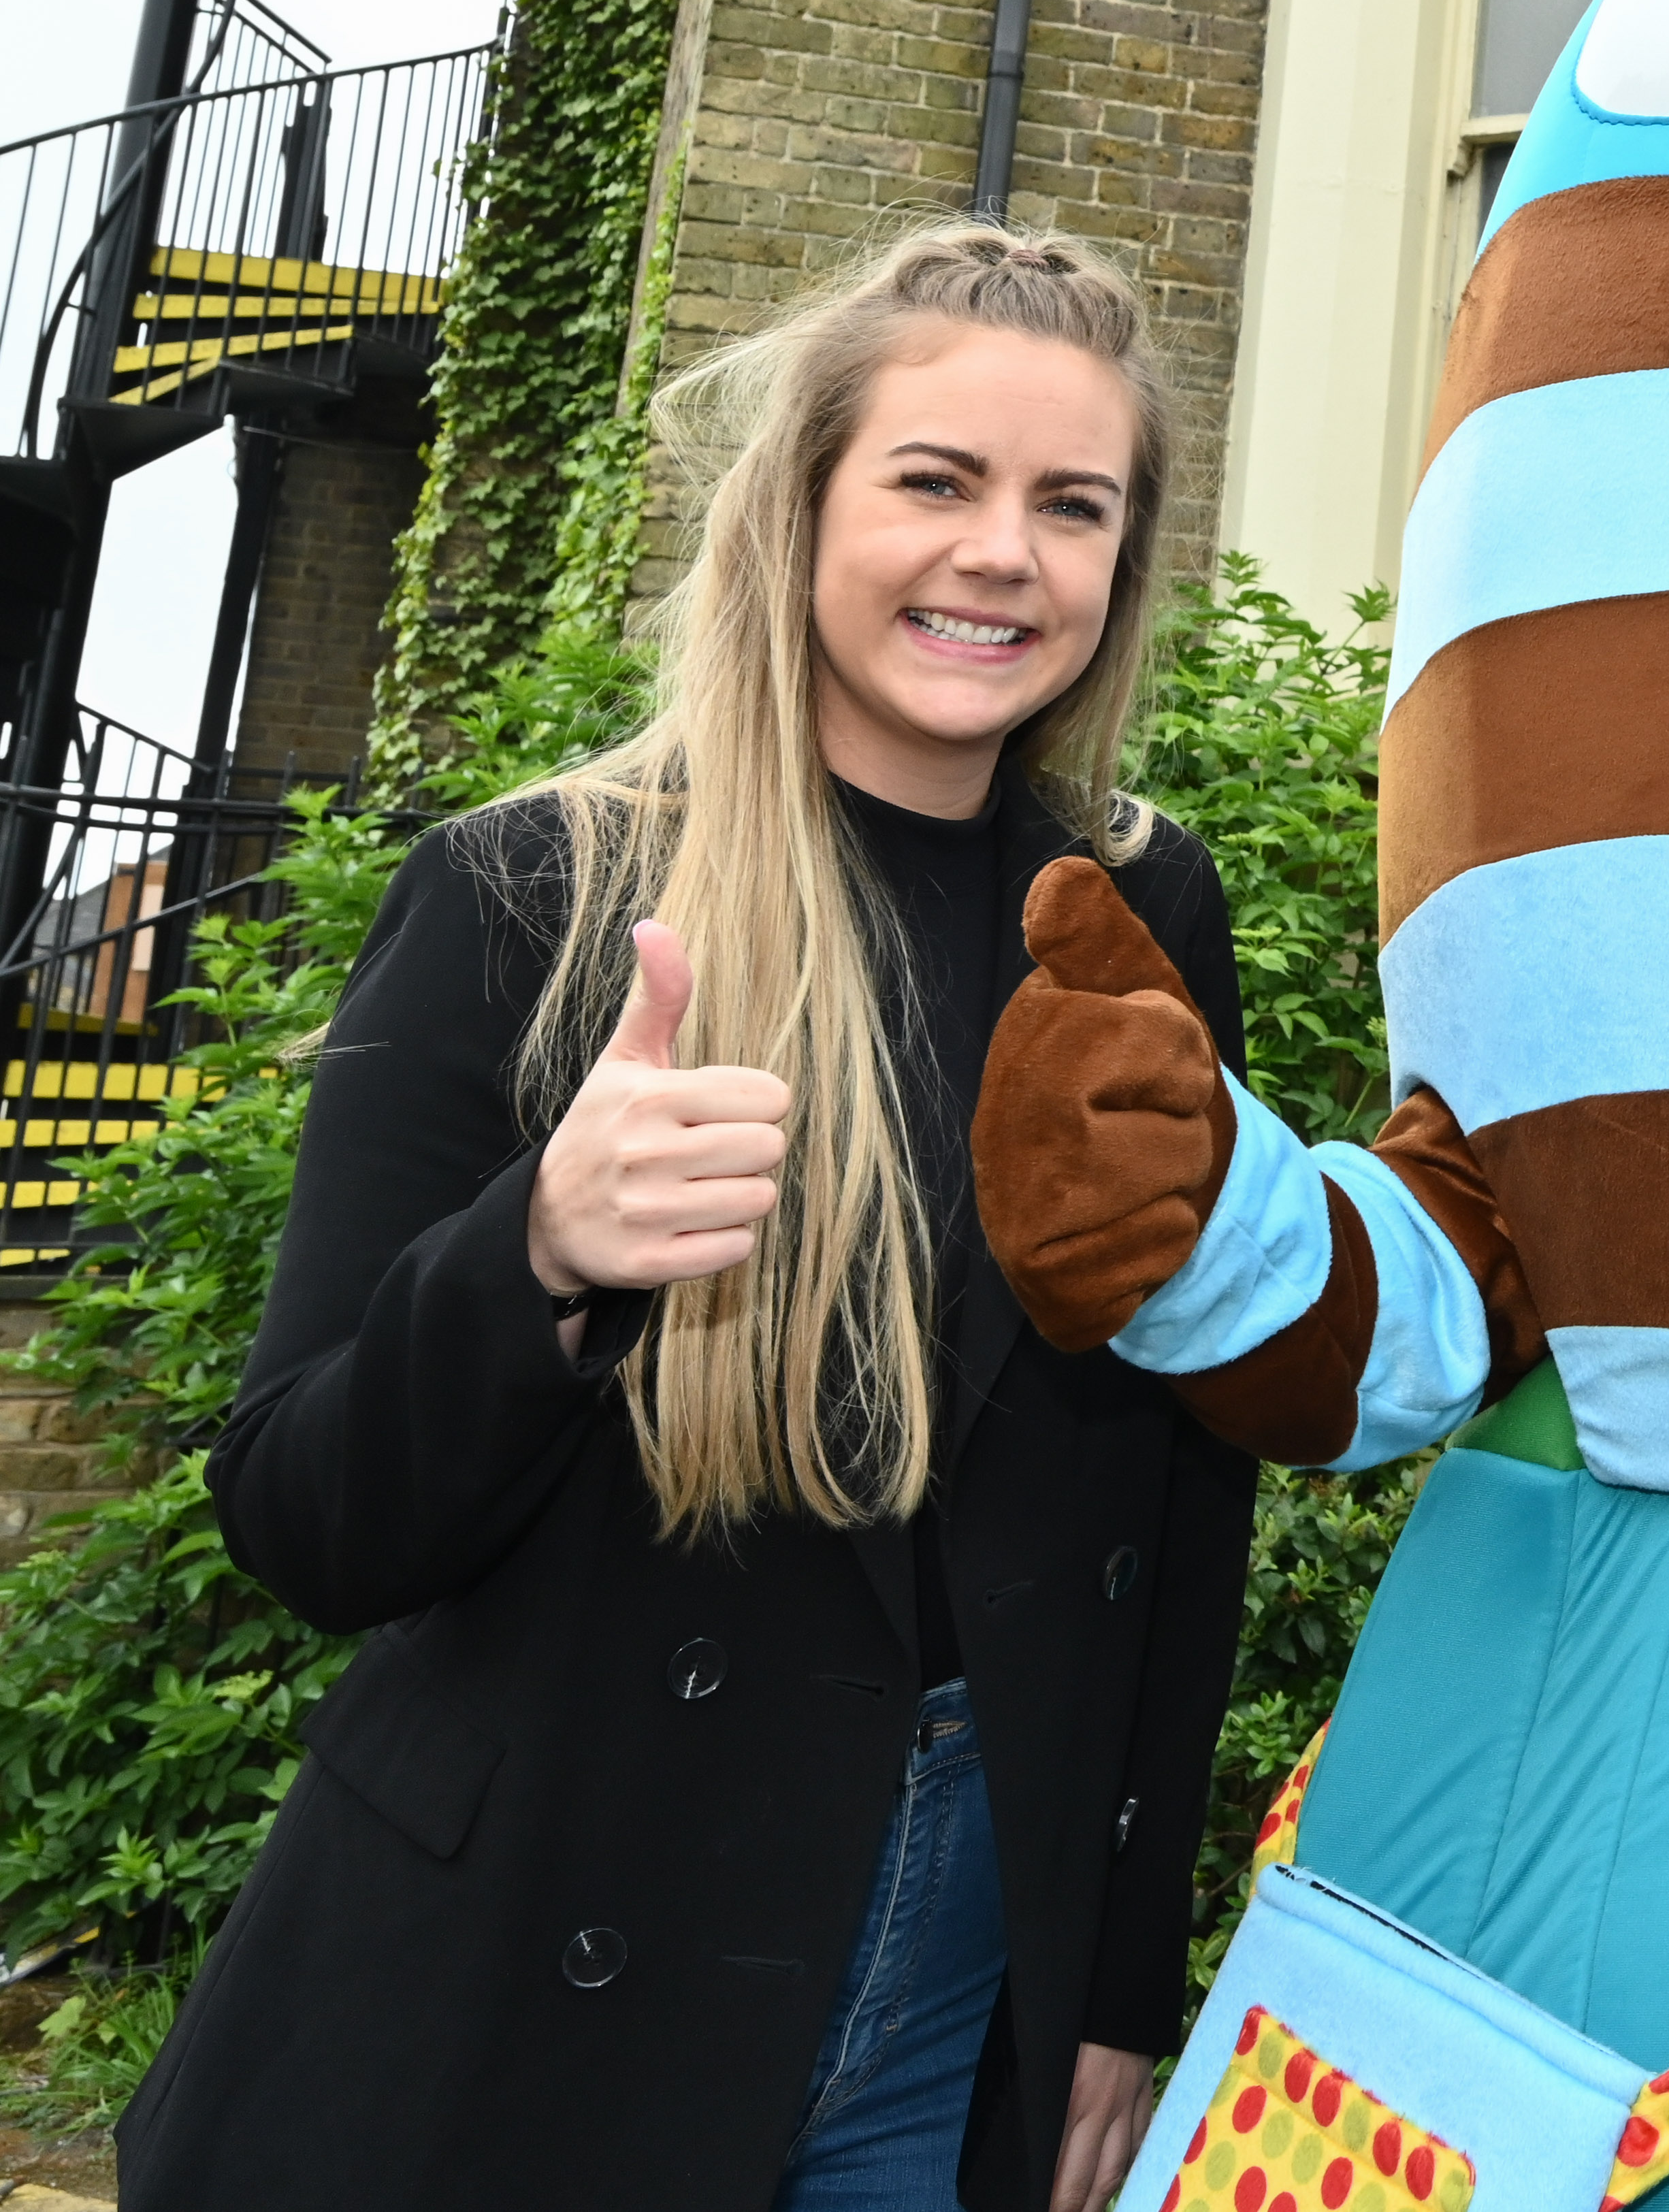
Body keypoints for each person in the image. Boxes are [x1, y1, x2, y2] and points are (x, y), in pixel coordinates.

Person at [125, 223, 1263, 2212]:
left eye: (1071, 504)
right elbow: (303, 1508)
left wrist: (1118, 1977)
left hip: (959, 1969)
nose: (1004, 551)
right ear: (802, 503)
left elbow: (1178, 1487)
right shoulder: (528, 893)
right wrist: (538, 1253)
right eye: (935, 479)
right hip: (540, 1974)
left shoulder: (1140, 918)